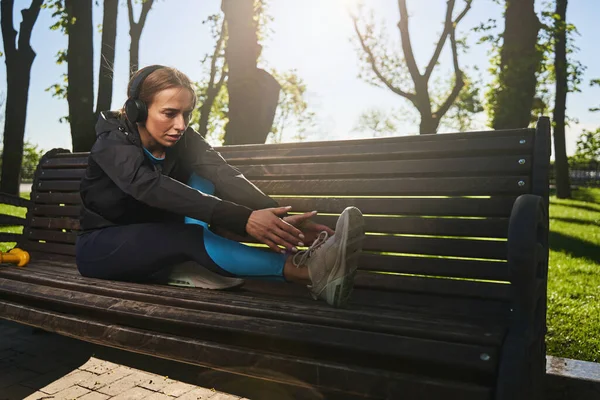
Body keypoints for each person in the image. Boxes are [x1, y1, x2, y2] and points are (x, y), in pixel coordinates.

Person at [75, 65, 365, 308]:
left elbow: (224, 175)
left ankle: (199, 265)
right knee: (187, 235)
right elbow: (149, 186)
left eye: (186, 114)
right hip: (102, 247)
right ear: (137, 110)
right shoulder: (112, 143)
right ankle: (312, 273)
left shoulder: (183, 139)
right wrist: (243, 219)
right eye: (170, 113)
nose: (180, 125)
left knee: (207, 178)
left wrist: (280, 219)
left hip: (161, 239)